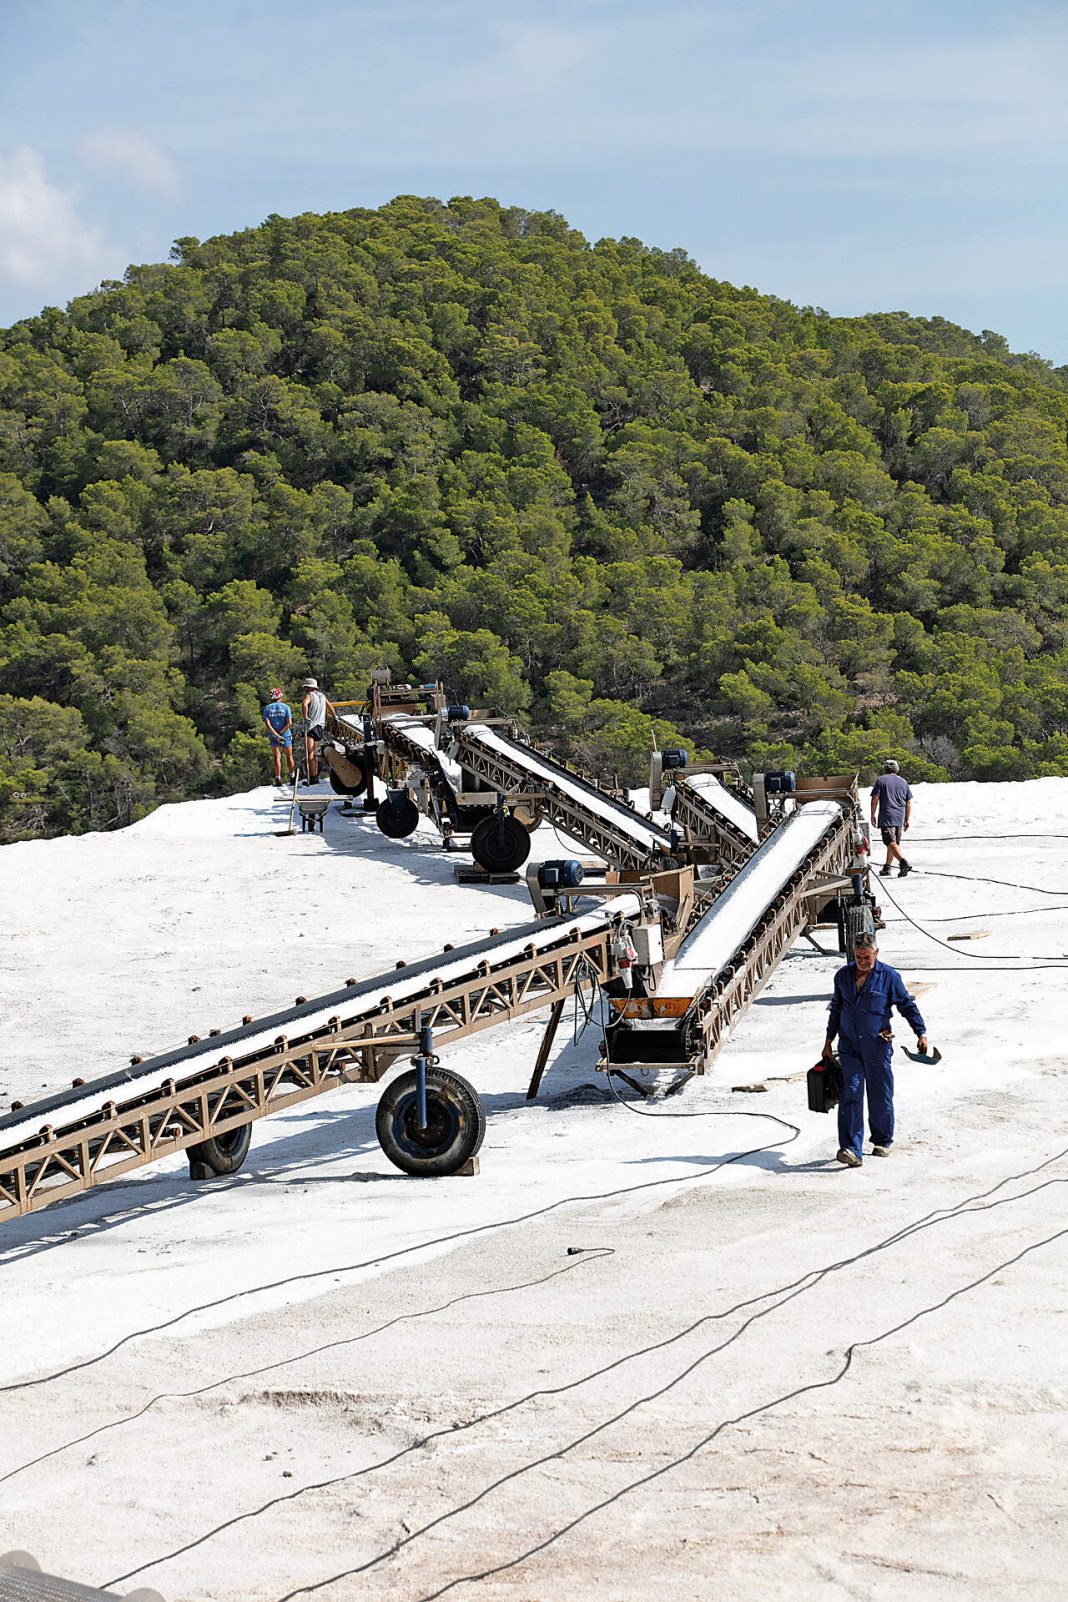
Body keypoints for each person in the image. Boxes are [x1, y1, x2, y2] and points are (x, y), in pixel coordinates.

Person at [822, 931, 929, 1168]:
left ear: (876, 953)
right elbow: (836, 1009)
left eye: (866, 957)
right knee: (851, 1091)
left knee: (880, 1093)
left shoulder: (889, 976)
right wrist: (828, 1041)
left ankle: (882, 1139)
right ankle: (851, 1148)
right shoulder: (843, 976)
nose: (862, 962)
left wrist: (920, 1032)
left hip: (877, 1045)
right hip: (849, 1045)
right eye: (858, 957)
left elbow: (906, 1005)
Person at [870, 758, 914, 877]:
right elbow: (908, 802)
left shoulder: (881, 780)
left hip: (887, 815)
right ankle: (887, 867)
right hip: (899, 816)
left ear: (885, 769)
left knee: (889, 841)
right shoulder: (903, 782)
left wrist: (872, 815)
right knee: (894, 843)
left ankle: (903, 862)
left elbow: (875, 798)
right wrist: (907, 819)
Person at [300, 676, 334, 785]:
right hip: (320, 727)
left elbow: (304, 704)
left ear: (309, 688)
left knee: (309, 754)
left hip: (311, 726)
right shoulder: (322, 696)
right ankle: (314, 776)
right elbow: (331, 707)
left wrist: (305, 717)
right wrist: (335, 717)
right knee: (313, 753)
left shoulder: (309, 695)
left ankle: (313, 778)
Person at [261, 687, 295, 786]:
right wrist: (281, 733)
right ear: (280, 697)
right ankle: (292, 776)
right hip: (286, 734)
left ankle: (278, 778)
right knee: (289, 756)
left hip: (273, 735)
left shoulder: (267, 709)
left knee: (277, 757)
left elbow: (267, 724)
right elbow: (289, 723)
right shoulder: (286, 707)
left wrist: (275, 734)